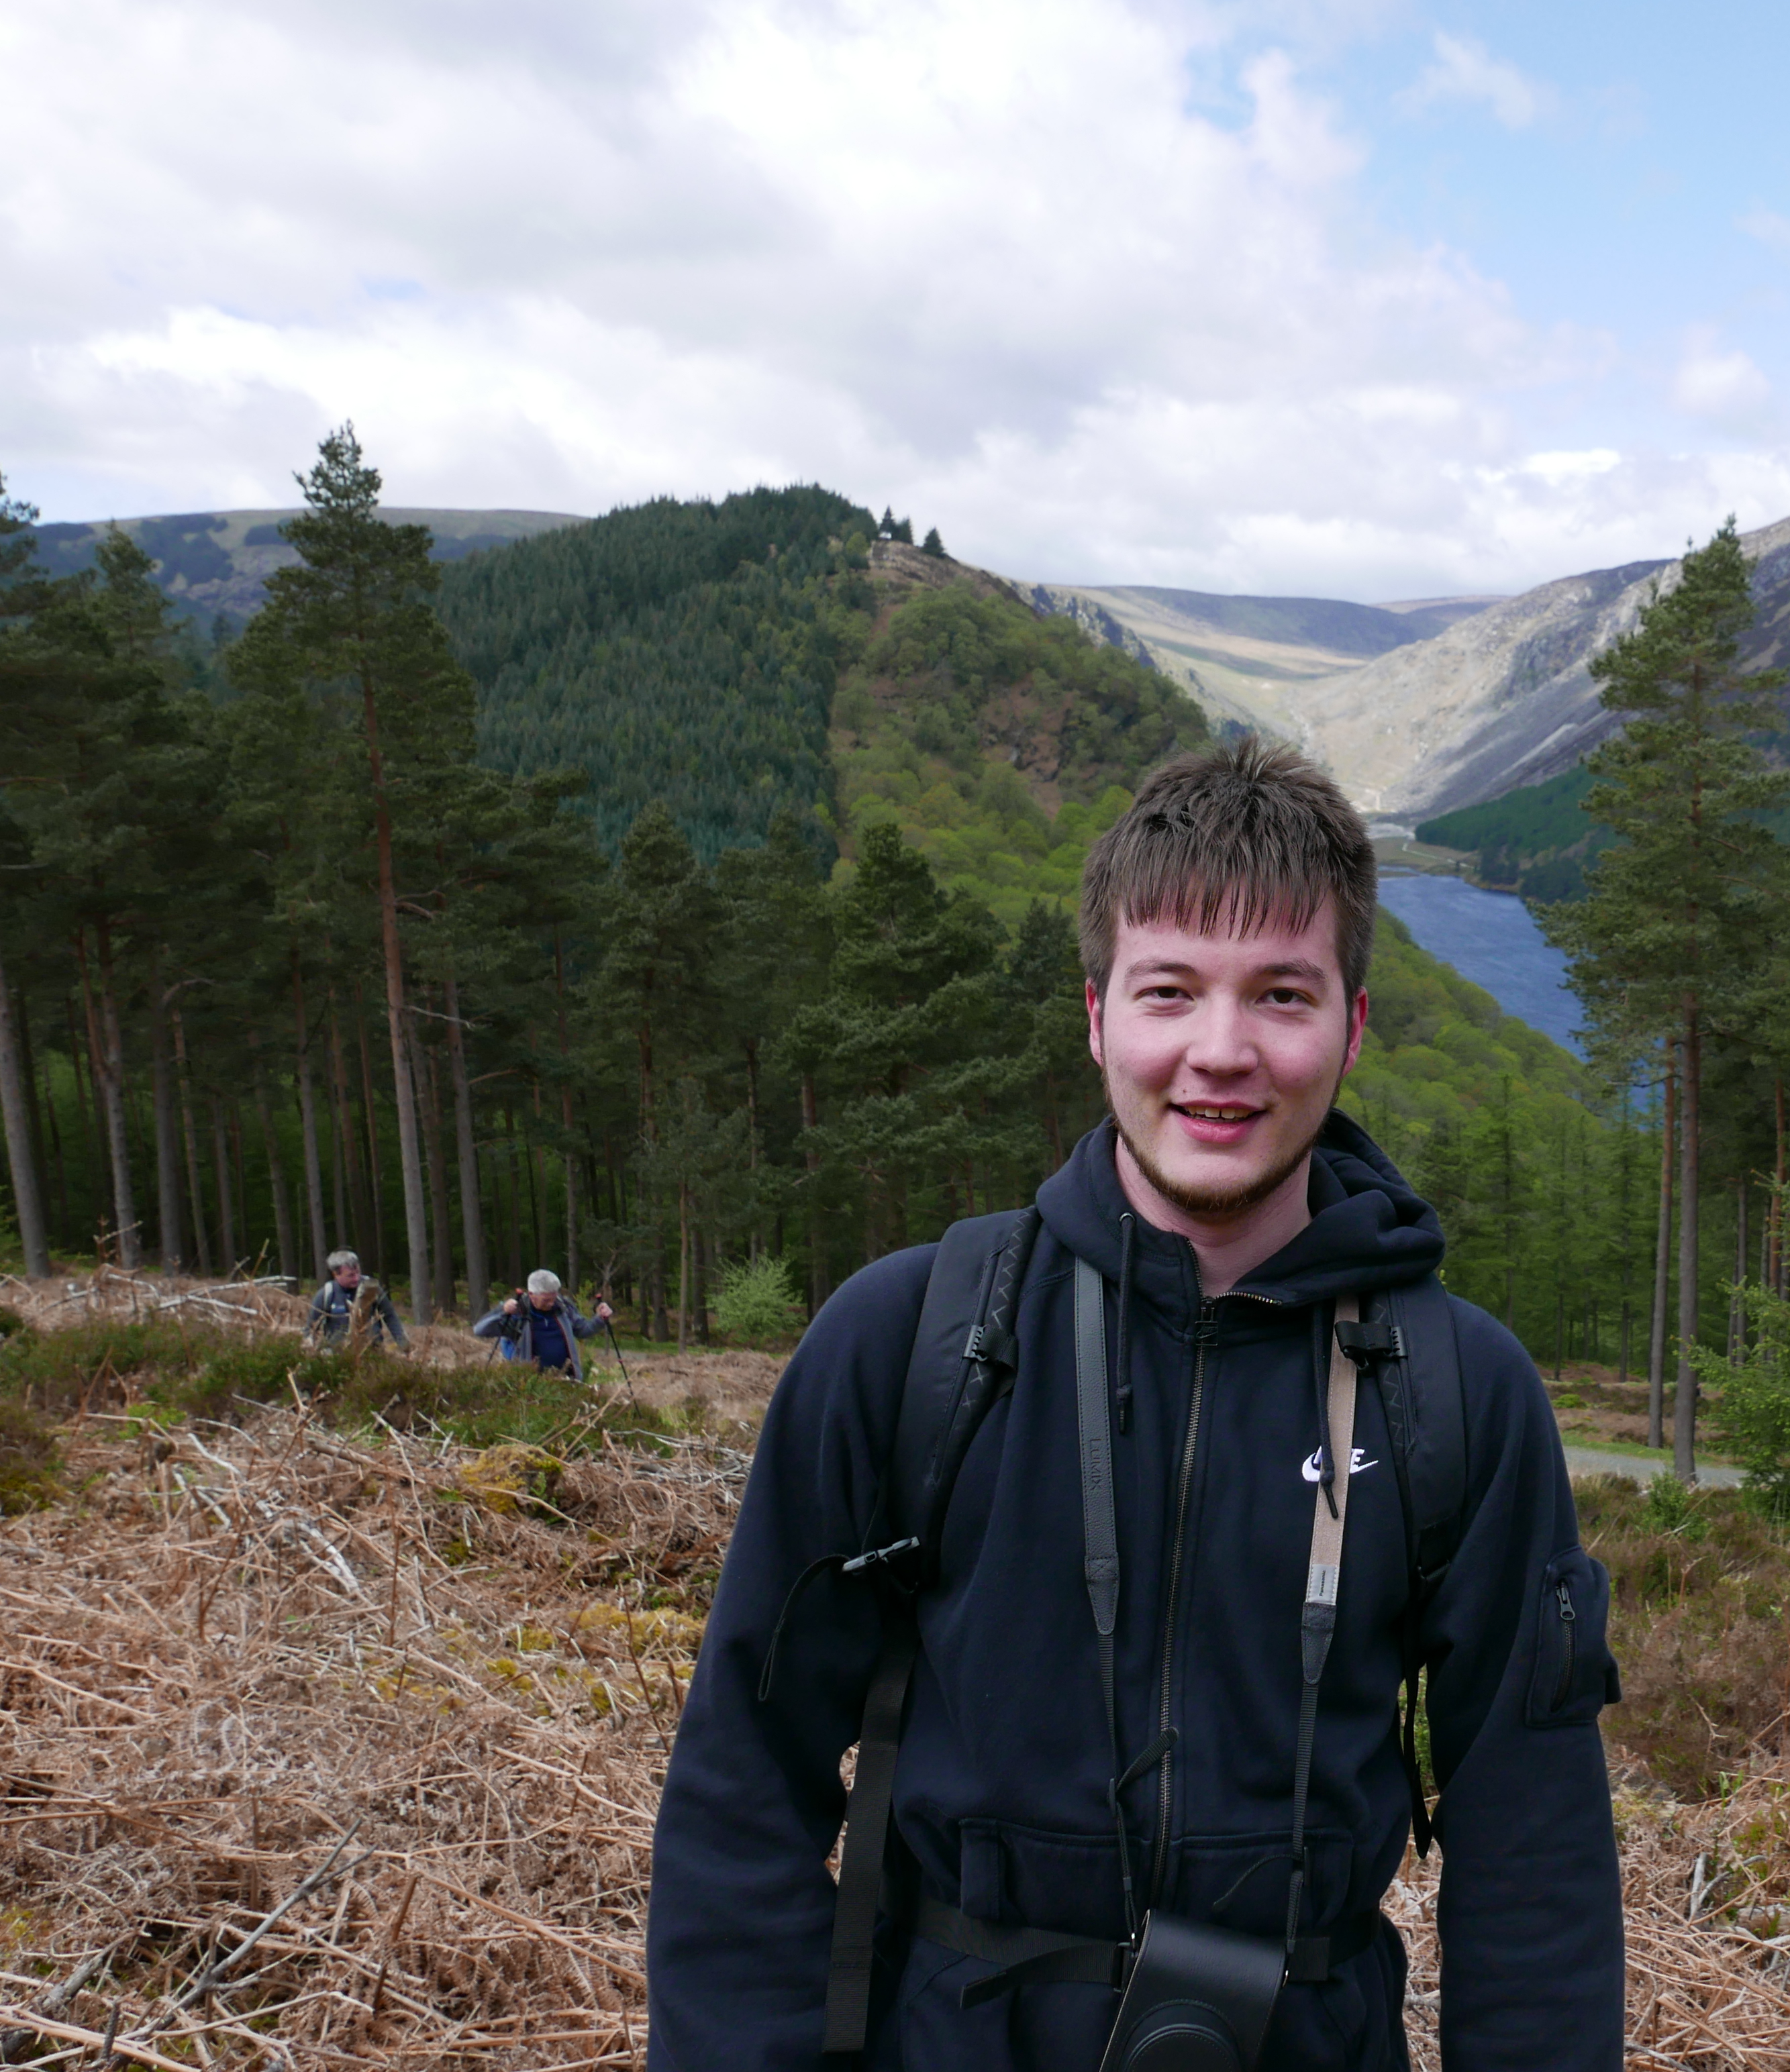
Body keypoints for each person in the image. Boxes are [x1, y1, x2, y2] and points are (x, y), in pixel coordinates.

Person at [647, 740, 1624, 2071]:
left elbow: (1535, 1851)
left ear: (1352, 1024)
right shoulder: (913, 1342)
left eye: (1281, 992)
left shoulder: (1458, 1392)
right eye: (1170, 991)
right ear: (1099, 1014)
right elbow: (740, 1788)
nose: (1219, 1052)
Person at [472, 1269, 614, 1377]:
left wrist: (600, 1318)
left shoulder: (563, 1307)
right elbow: (480, 1330)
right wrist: (502, 1311)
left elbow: (583, 1331)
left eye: (554, 1297)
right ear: (532, 1295)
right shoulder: (518, 1313)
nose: (552, 1303)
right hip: (530, 1382)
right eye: (546, 1300)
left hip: (566, 1378)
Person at [301, 1249, 407, 1349]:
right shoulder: (326, 1294)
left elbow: (390, 1316)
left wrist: (404, 1344)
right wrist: (309, 1346)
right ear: (336, 1275)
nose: (356, 1278)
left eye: (358, 1272)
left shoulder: (371, 1288)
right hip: (338, 1354)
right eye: (351, 1276)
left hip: (372, 1351)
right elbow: (311, 1327)